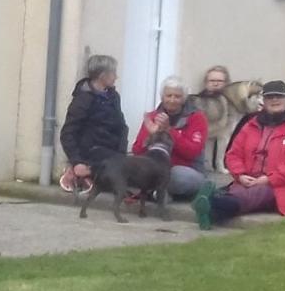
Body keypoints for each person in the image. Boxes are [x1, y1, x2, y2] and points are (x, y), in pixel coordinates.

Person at [203, 80, 285, 224]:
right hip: (250, 181)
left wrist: (269, 179)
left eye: (279, 96)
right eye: (270, 97)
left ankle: (215, 205)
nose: (274, 99)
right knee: (242, 191)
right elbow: (233, 154)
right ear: (263, 100)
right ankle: (215, 205)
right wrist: (240, 175)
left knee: (256, 194)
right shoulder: (250, 124)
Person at [57, 54, 127, 192]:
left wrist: (122, 151)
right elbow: (68, 133)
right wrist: (76, 161)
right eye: (113, 73)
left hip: (111, 151)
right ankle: (78, 172)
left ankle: (87, 175)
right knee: (116, 174)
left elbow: (122, 126)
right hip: (91, 151)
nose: (116, 77)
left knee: (126, 170)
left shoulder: (114, 97)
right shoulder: (83, 99)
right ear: (103, 75)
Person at [131, 76, 207, 198]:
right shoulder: (152, 116)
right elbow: (137, 151)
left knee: (177, 177)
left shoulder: (197, 118)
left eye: (177, 96)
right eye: (169, 96)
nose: (172, 100)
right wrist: (151, 134)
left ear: (184, 99)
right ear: (162, 97)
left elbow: (192, 152)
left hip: (185, 170)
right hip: (155, 168)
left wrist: (169, 131)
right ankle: (159, 193)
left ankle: (156, 192)